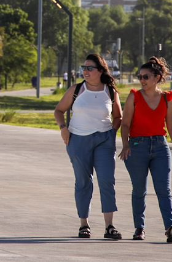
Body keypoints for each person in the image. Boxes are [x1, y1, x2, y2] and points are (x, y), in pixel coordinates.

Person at [53, 54, 123, 240]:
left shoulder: (110, 91)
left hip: (104, 141)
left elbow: (118, 116)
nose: (85, 71)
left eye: (90, 68)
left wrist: (111, 132)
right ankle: (84, 224)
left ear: (100, 71)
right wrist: (63, 128)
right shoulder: (77, 89)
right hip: (78, 141)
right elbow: (59, 110)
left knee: (107, 181)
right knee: (84, 183)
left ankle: (109, 226)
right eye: (84, 68)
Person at [119, 56, 172, 243]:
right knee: (139, 189)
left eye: (146, 76)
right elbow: (125, 124)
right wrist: (125, 145)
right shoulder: (134, 96)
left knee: (164, 189)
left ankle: (170, 228)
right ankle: (139, 228)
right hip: (137, 147)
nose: (142, 80)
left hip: (160, 147)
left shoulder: (167, 99)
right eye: (140, 76)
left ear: (157, 78)